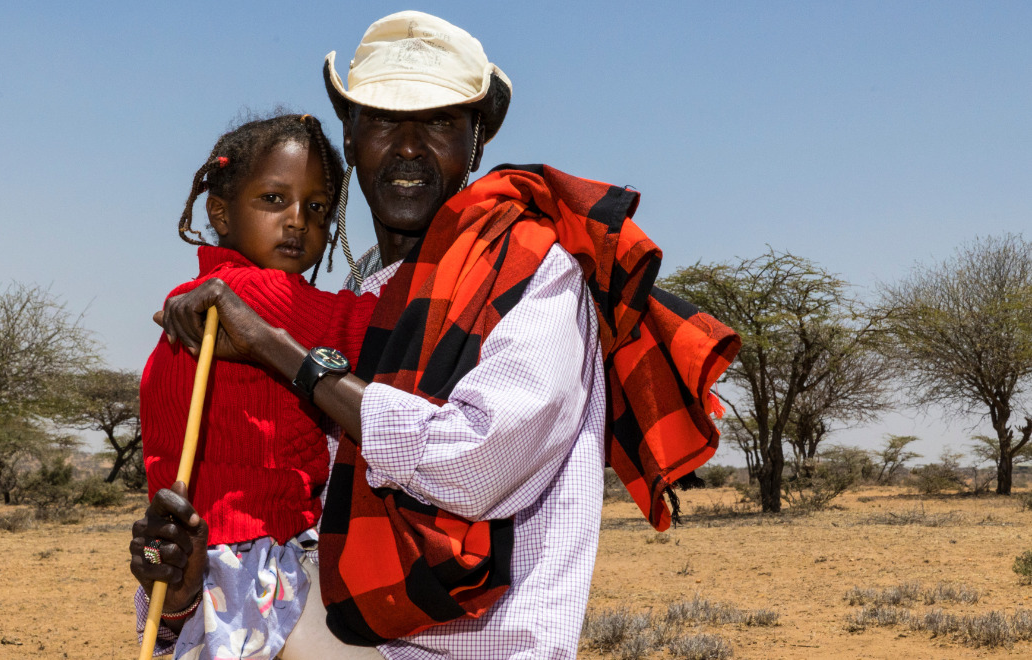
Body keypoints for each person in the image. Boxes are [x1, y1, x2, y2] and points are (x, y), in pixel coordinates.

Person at [135, 11, 738, 659]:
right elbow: (296, 560)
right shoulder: (366, 293)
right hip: (355, 635)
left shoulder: (531, 270)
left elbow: (473, 468)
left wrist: (280, 351)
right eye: (385, 118)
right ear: (352, 132)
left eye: (442, 121)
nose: (409, 146)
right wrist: (185, 589)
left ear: (478, 140)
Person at [133, 112, 377, 659]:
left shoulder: (196, 296)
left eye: (318, 208)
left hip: (202, 568)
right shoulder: (251, 296)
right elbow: (380, 329)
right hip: (258, 561)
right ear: (219, 211)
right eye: (273, 200)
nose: (298, 221)